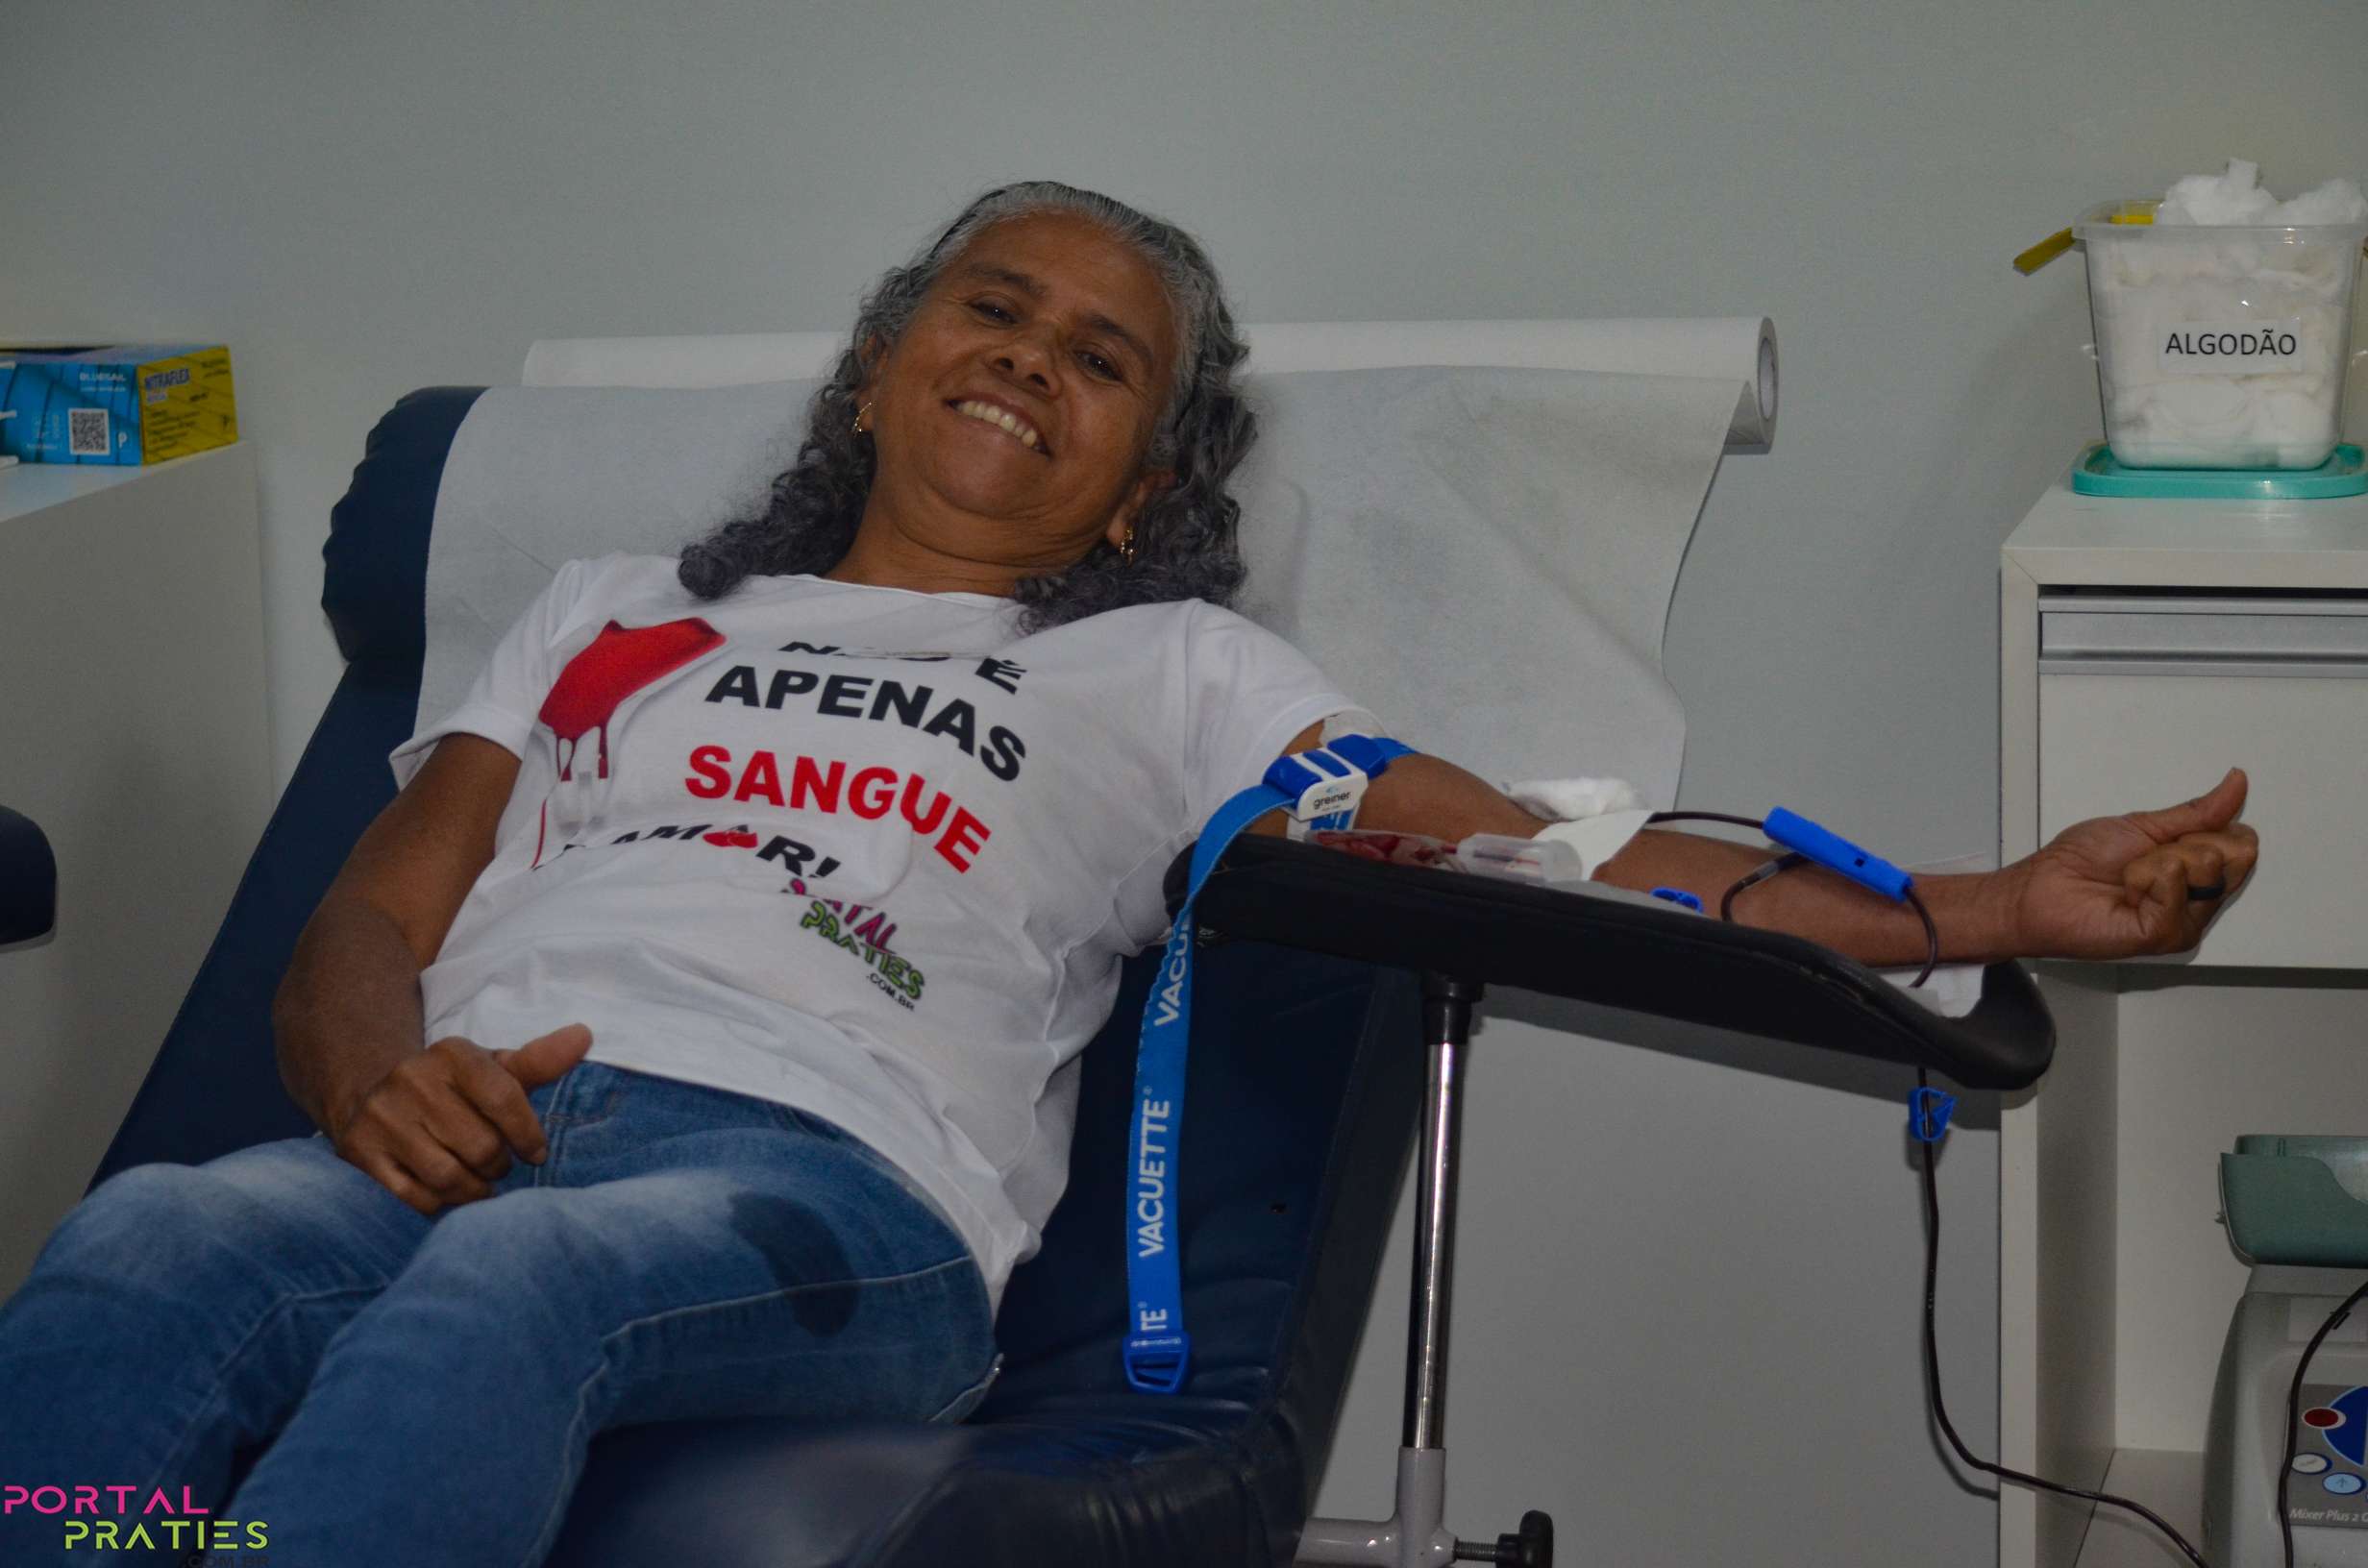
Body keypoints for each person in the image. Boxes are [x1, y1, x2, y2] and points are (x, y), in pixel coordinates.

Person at [0, 181, 2258, 1568]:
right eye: (988, 309)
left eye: (1100, 363)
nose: (1027, 362)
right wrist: (371, 1075)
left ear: (1134, 484)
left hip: (822, 1197)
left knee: (511, 1291)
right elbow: (374, 912)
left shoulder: (1175, 674)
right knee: (145, 1238)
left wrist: (1982, 908)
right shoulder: (606, 608)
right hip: (463, 1117)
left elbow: (1551, 851)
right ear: (878, 370)